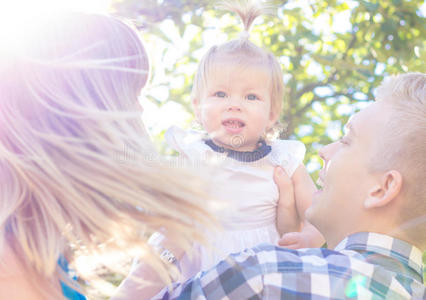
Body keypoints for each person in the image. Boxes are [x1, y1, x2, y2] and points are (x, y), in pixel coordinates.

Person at [0, 13, 214, 299]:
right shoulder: (3, 268)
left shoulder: (20, 253)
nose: (140, 110)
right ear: (82, 111)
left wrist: (167, 252)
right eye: (130, 93)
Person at [147, 72, 426, 299]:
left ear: (382, 188)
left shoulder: (264, 276)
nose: (323, 151)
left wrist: (170, 246)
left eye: (346, 140)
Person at [163, 1, 324, 280]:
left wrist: (310, 236)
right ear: (197, 106)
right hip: (199, 267)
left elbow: (321, 213)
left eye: (251, 97)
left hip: (263, 271)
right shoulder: (192, 153)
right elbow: (162, 206)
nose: (234, 105)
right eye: (221, 94)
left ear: (272, 113)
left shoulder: (283, 160)